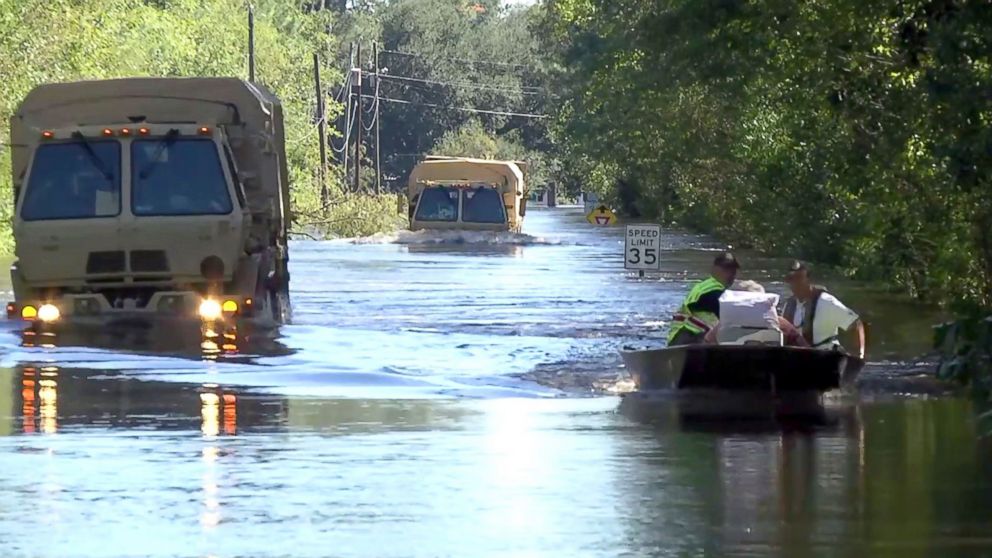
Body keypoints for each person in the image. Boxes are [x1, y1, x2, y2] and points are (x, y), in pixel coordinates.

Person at [781, 261, 866, 358]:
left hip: (825, 359)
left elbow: (855, 324)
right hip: (796, 361)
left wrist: (859, 355)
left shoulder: (826, 302)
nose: (795, 283)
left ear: (809, 280)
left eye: (799, 279)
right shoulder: (788, 305)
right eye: (791, 279)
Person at [667, 252, 739, 346]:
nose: (731, 274)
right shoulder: (713, 293)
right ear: (715, 269)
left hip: (680, 339)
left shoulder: (705, 286)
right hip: (688, 339)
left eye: (733, 271)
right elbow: (732, 318)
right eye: (726, 269)